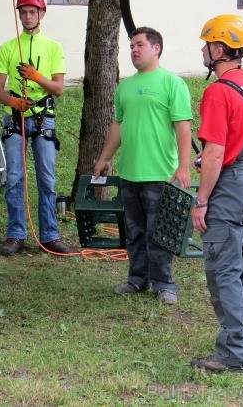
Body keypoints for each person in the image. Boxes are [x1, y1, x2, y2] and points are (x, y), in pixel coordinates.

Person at [190, 14, 243, 374]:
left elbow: (215, 152)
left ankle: (232, 355)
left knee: (224, 271)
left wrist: (203, 199)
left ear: (219, 49)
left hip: (228, 187)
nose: (204, 50)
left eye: (207, 44)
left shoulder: (218, 91)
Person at [93, 27, 192, 305]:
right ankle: (137, 278)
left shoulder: (172, 83)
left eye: (139, 45)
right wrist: (105, 157)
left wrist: (183, 166)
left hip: (160, 173)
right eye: (131, 46)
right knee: (134, 230)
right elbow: (118, 126)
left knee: (158, 232)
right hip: (130, 172)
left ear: (156, 48)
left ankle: (164, 284)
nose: (134, 50)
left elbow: (183, 128)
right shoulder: (125, 86)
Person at [0, 0, 70, 256]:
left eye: (32, 12)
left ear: (41, 14)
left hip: (43, 118)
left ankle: (49, 235)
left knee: (47, 179)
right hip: (16, 118)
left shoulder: (53, 47)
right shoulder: (8, 48)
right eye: (23, 12)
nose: (27, 16)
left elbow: (58, 88)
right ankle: (16, 234)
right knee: (14, 178)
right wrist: (12, 102)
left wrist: (36, 77)